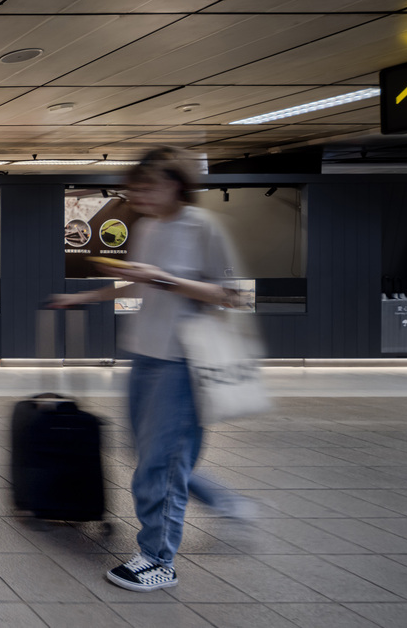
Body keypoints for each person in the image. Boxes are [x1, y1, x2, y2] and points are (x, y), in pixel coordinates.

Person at [50, 147, 254, 593]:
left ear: (175, 184)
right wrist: (78, 299)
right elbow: (134, 284)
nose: (136, 194)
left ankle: (160, 560)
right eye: (134, 186)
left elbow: (237, 295)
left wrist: (162, 278)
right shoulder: (148, 228)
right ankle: (217, 499)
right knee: (144, 455)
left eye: (147, 186)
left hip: (183, 362)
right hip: (144, 356)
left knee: (160, 463)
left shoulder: (202, 227)